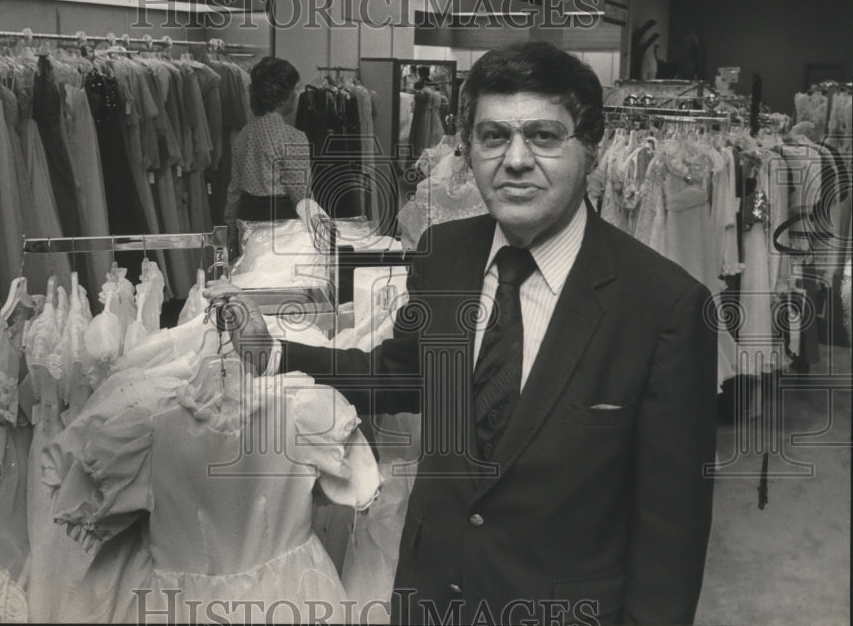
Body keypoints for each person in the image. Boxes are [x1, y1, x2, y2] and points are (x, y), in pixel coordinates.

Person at [207, 40, 718, 626]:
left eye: (545, 137)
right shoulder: (444, 254)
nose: (516, 159)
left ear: (593, 150)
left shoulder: (664, 307)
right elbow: (400, 376)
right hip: (432, 594)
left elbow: (671, 534)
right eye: (493, 136)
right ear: (469, 147)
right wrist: (272, 351)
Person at [224, 56, 312, 253]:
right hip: (280, 220)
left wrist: (230, 225)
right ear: (282, 96)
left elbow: (234, 189)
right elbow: (299, 195)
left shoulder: (244, 135)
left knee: (249, 273)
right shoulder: (293, 138)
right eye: (294, 90)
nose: (296, 95)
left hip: (246, 215)